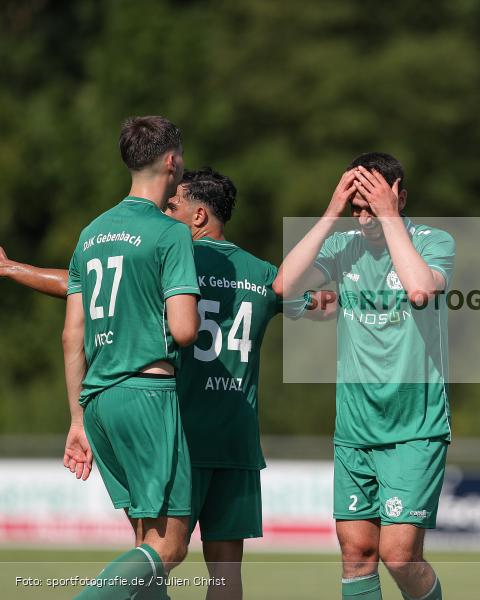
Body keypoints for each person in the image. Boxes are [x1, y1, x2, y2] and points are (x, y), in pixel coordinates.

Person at [1, 168, 334, 600]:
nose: (163, 211)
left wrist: (14, 269)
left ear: (197, 216)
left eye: (172, 206)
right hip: (236, 440)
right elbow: (313, 303)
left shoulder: (169, 258)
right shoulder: (264, 275)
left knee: (152, 555)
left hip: (177, 432)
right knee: (226, 574)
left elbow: (81, 289)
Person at [275, 152, 454, 600]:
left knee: (399, 555)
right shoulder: (343, 246)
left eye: (371, 204)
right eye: (356, 207)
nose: (363, 216)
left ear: (399, 197)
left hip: (414, 427)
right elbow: (285, 287)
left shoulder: (434, 242)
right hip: (355, 428)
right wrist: (330, 213)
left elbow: (418, 291)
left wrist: (390, 217)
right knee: (356, 553)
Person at [65, 115, 199, 599]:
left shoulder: (90, 233)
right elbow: (184, 330)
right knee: (170, 547)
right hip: (146, 394)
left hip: (98, 402)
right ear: (171, 161)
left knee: (145, 542)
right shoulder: (169, 233)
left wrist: (77, 420)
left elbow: (70, 335)